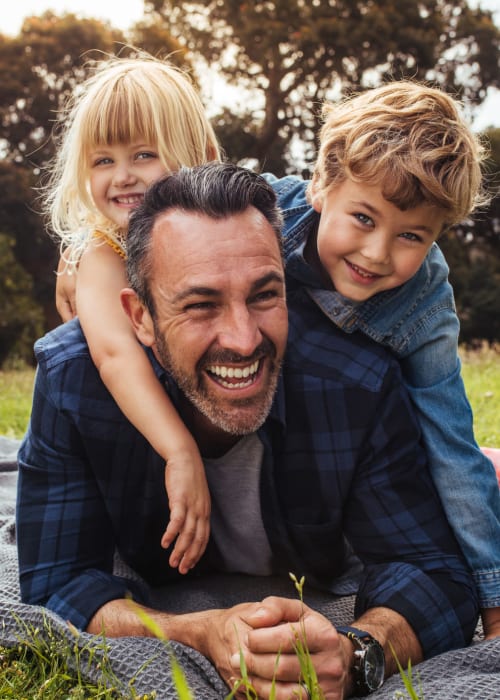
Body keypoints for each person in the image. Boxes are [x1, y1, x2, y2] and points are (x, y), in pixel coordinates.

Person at [17, 163, 478, 699]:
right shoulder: (73, 380)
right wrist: (195, 632)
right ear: (139, 317)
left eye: (264, 295)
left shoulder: (356, 382)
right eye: (201, 305)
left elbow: (437, 575)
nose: (241, 339)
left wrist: (356, 652)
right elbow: (57, 584)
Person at [263, 80, 500, 639]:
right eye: (363, 218)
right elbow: (165, 220)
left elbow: (447, 437)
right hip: (253, 428)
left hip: (355, 462)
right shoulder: (262, 211)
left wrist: (494, 603)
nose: (376, 253)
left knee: (469, 469)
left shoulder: (423, 303)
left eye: (412, 236)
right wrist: (89, 253)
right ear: (321, 183)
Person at [42, 53, 221, 574]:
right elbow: (115, 355)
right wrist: (179, 451)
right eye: (102, 161)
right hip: (136, 442)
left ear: (201, 156)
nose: (122, 177)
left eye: (144, 154)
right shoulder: (101, 251)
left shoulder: (224, 227)